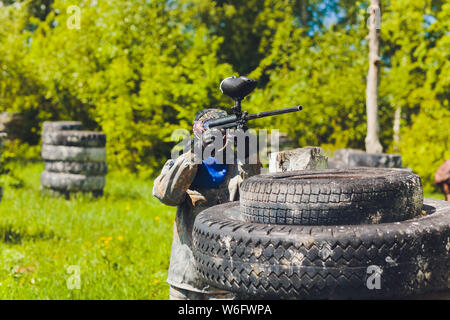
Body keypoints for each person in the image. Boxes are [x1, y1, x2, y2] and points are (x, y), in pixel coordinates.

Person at [152, 108, 261, 300]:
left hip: (227, 280)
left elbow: (258, 197)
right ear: (198, 132)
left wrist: (249, 155)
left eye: (223, 130)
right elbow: (166, 195)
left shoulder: (238, 167)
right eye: (212, 130)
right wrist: (195, 154)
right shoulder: (180, 164)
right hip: (186, 280)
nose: (218, 136)